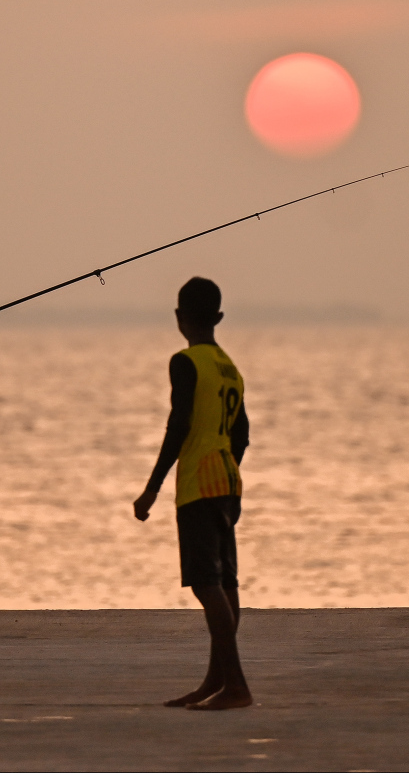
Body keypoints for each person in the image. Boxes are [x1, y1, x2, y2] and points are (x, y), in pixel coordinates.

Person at [132, 277, 253, 710]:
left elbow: (178, 427)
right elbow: (242, 433)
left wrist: (151, 488)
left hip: (199, 486)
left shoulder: (186, 363)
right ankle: (216, 681)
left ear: (180, 319)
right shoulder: (229, 367)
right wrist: (231, 475)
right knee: (225, 583)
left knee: (206, 584)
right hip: (227, 481)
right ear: (218, 318)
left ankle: (236, 684)